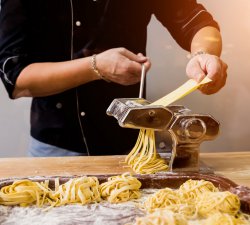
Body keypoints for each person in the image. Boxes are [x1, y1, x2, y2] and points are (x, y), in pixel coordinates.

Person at [0, 0, 227, 157]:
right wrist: (95, 67)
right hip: (55, 147)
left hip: (133, 148)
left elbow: (196, 22)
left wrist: (204, 54)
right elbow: (17, 78)